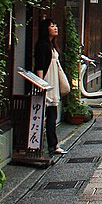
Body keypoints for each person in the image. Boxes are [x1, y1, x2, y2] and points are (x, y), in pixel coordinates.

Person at [31, 17, 70, 158]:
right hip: (46, 83)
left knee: (52, 116)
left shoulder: (51, 45)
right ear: (45, 29)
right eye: (52, 26)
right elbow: (39, 66)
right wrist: (41, 84)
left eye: (55, 25)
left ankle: (53, 145)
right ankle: (48, 146)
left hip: (52, 84)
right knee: (47, 116)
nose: (55, 28)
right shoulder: (42, 45)